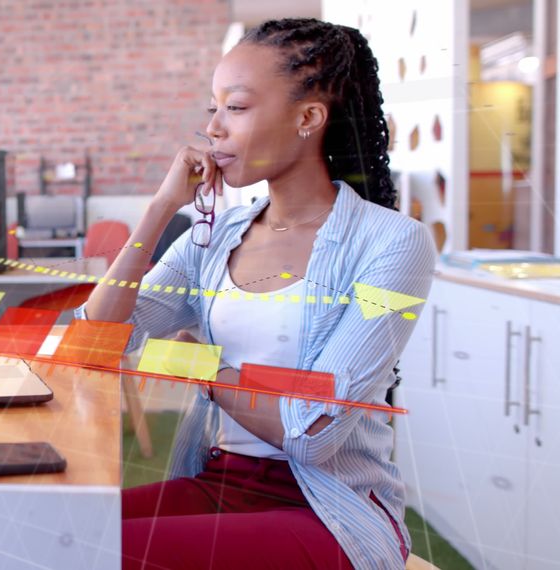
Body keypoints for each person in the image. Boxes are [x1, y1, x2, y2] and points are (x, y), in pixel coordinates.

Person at [79, 18, 436, 569]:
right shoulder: (215, 234)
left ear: (308, 118)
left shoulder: (396, 244)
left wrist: (195, 363)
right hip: (225, 479)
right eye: (212, 109)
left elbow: (314, 431)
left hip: (331, 509)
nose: (214, 130)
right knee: (52, 534)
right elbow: (94, 343)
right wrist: (157, 211)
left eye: (237, 108)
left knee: (102, 553)